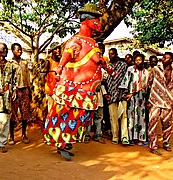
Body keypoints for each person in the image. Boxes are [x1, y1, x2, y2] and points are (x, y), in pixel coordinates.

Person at [43, 3, 114, 160]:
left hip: (86, 90)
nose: (99, 24)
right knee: (68, 116)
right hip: (73, 89)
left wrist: (108, 69)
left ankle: (66, 141)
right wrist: (60, 68)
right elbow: (68, 54)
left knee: (81, 116)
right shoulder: (77, 40)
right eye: (96, 20)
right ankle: (62, 143)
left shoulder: (92, 42)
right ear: (86, 21)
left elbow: (98, 61)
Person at [147, 52, 173, 155]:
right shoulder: (155, 70)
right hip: (155, 101)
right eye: (163, 57)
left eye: (166, 58)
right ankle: (153, 145)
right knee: (152, 124)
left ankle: (166, 143)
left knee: (167, 124)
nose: (163, 59)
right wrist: (152, 96)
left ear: (171, 60)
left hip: (167, 103)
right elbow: (149, 82)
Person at [119, 53, 149, 145]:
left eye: (140, 60)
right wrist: (127, 94)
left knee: (141, 117)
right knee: (131, 117)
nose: (138, 62)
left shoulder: (146, 72)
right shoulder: (130, 70)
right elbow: (125, 82)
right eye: (136, 60)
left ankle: (140, 138)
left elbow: (146, 86)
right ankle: (131, 138)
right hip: (131, 98)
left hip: (142, 98)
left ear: (143, 61)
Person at [0, 43, 17, 153]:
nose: (5, 51)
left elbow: (14, 80)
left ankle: (2, 143)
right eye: (2, 49)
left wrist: (14, 91)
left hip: (5, 97)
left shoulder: (11, 65)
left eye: (5, 49)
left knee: (4, 121)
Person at [9, 43, 31, 145]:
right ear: (13, 51)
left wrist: (29, 90)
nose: (20, 51)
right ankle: (11, 136)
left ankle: (24, 134)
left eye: (21, 50)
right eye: (18, 50)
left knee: (25, 114)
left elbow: (28, 76)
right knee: (12, 114)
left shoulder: (24, 63)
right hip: (14, 91)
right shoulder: (10, 63)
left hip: (24, 90)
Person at [106, 48, 128, 144]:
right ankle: (115, 136)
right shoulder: (107, 66)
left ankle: (124, 137)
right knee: (113, 117)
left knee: (124, 116)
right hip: (111, 95)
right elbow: (104, 81)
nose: (111, 56)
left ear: (116, 54)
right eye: (110, 54)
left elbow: (127, 79)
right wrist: (105, 94)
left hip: (122, 94)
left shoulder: (123, 65)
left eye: (113, 54)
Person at [44, 42, 61, 111]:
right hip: (51, 91)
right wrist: (50, 92)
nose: (58, 50)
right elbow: (44, 77)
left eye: (59, 48)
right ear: (52, 51)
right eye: (55, 49)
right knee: (51, 111)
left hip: (60, 91)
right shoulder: (48, 62)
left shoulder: (61, 62)